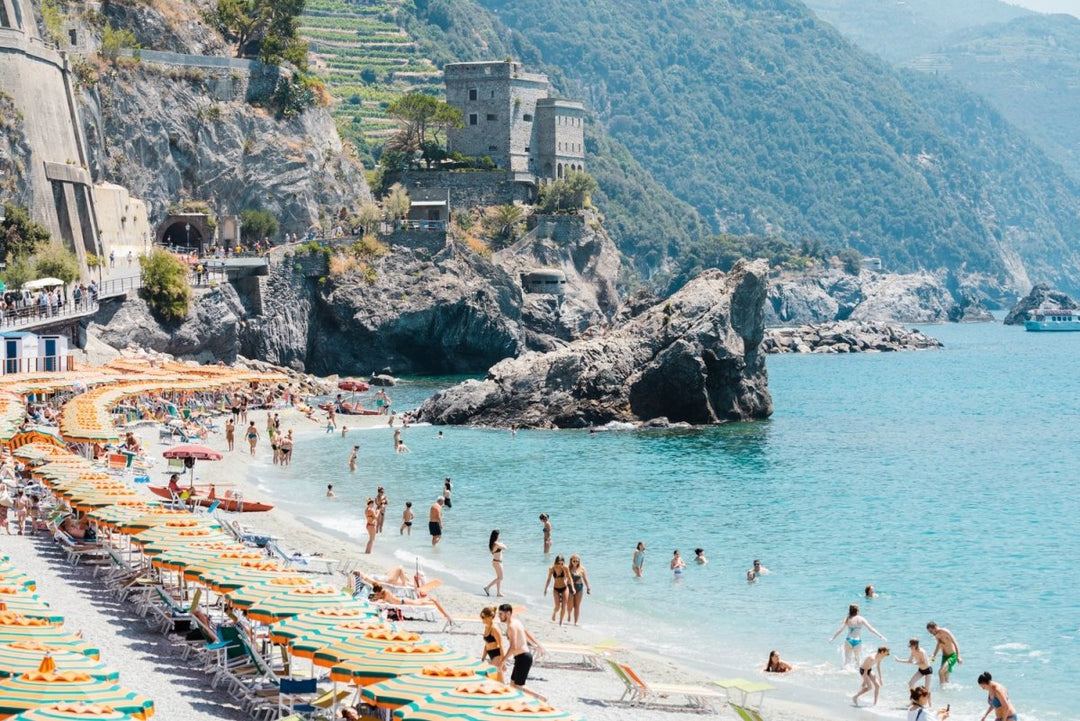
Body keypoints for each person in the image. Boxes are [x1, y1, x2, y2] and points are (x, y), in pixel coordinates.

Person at [499, 604, 534, 690]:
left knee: (518, 687)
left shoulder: (511, 626)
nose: (499, 616)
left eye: (501, 614)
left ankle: (541, 698)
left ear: (508, 614)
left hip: (523, 657)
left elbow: (513, 646)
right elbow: (525, 633)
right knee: (512, 685)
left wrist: (503, 661)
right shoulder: (516, 622)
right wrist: (536, 644)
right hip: (521, 657)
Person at [544, 555, 573, 625]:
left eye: (562, 563)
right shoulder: (552, 568)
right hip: (556, 589)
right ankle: (554, 613)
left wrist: (573, 587)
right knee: (557, 606)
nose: (560, 565)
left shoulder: (565, 568)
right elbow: (549, 579)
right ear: (556, 562)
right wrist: (545, 589)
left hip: (564, 588)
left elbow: (569, 578)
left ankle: (560, 622)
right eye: (558, 563)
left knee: (564, 606)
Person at [480, 606, 506, 683]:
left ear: (491, 617)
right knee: (500, 681)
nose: (482, 619)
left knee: (486, 675)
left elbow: (501, 645)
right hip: (491, 655)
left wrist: (503, 662)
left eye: (484, 618)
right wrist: (482, 658)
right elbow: (486, 644)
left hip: (497, 656)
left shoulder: (494, 629)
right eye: (482, 617)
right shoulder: (486, 627)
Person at [567, 554, 591, 624]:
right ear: (571, 561)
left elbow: (585, 579)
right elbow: (565, 578)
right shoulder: (568, 568)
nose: (575, 562)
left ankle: (576, 622)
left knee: (577, 605)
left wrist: (588, 588)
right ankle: (569, 616)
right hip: (570, 587)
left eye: (577, 561)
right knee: (570, 604)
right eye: (574, 561)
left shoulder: (582, 568)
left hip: (579, 587)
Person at [484, 529, 506, 597]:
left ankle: (498, 592)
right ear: (497, 535)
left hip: (496, 562)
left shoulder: (493, 543)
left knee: (498, 578)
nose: (499, 536)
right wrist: (502, 544)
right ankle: (487, 587)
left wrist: (501, 544)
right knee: (501, 578)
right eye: (499, 535)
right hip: (497, 562)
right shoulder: (496, 543)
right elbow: (505, 548)